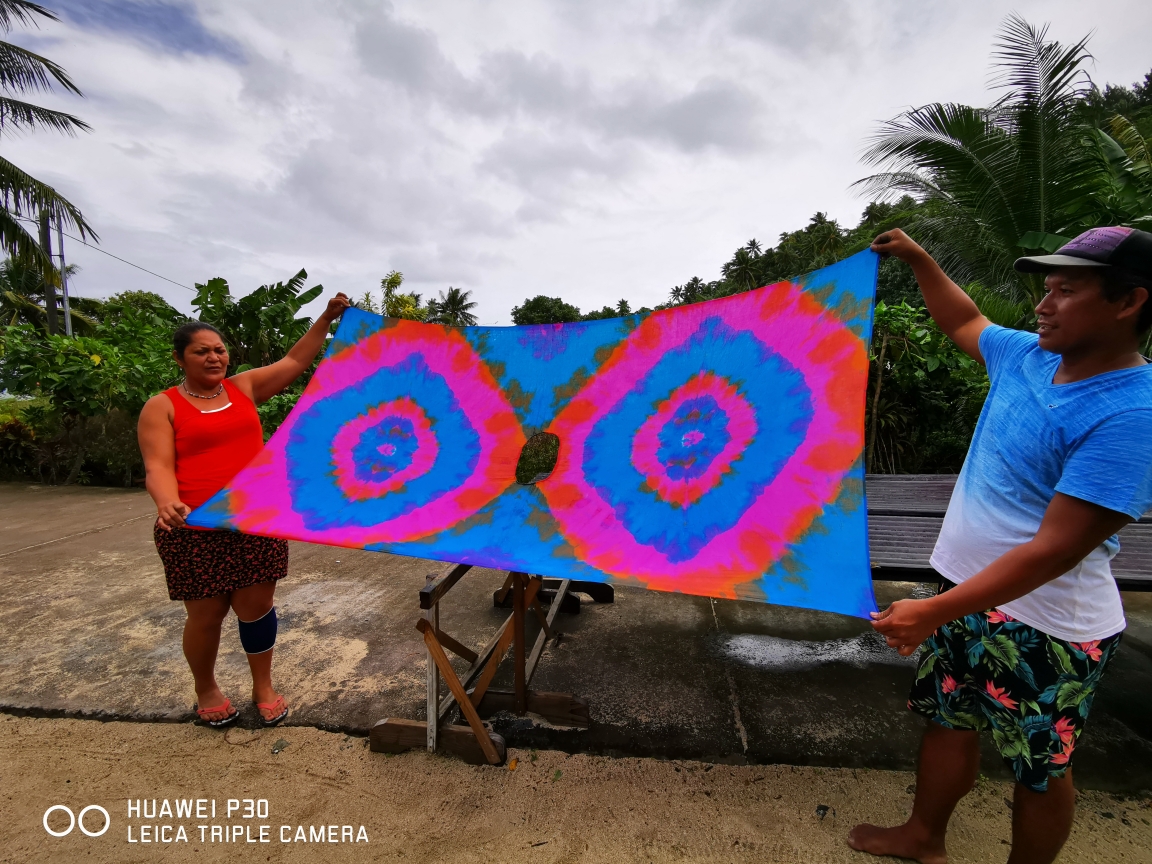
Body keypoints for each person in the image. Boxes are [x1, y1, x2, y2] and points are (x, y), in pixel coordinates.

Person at [849, 226, 1152, 864]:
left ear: (1129, 303)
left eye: (1066, 291)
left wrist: (931, 610)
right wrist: (919, 258)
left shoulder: (1131, 415)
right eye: (1046, 289)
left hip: (1051, 626)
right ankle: (923, 836)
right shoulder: (1028, 357)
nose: (1043, 305)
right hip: (965, 596)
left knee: (1039, 769)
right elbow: (965, 319)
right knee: (948, 720)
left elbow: (1056, 551)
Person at [138, 294, 350, 729]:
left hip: (256, 520)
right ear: (180, 358)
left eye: (219, 349)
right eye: (201, 350)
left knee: (257, 608)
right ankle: (207, 690)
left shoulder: (243, 387)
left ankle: (263, 686)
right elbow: (157, 465)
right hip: (194, 525)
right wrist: (166, 501)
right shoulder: (162, 406)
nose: (213, 357)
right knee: (206, 615)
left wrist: (327, 319)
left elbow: (295, 360)